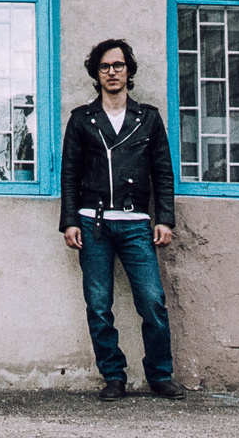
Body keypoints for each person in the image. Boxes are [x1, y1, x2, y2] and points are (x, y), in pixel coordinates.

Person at [59, 37, 182, 400]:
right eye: (105, 67)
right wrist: (69, 221)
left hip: (135, 223)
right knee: (98, 304)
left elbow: (163, 172)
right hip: (92, 224)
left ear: (129, 71)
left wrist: (165, 219)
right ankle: (113, 376)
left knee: (152, 301)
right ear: (96, 74)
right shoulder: (82, 120)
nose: (112, 72)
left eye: (118, 65)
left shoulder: (148, 119)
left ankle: (160, 375)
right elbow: (69, 174)